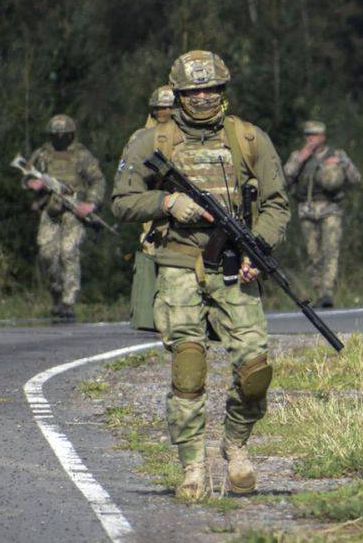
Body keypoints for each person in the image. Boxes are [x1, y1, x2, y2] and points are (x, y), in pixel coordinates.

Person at [111, 50, 290, 501]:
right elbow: (122, 201)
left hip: (234, 265)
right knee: (188, 370)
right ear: (179, 94)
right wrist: (166, 204)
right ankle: (193, 465)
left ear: (224, 90)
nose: (204, 97)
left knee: (255, 370)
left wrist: (259, 246)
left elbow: (276, 205)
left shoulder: (249, 138)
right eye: (194, 91)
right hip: (176, 265)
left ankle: (236, 447)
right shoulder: (152, 141)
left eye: (212, 88)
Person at [23, 114, 107, 320]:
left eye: (64, 135)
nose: (60, 139)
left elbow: (97, 180)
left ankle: (69, 301)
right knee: (46, 253)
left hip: (73, 212)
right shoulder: (42, 154)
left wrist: (90, 203)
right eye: (56, 135)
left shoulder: (81, 155)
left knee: (69, 251)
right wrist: (34, 184)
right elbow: (26, 176)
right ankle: (57, 293)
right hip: (50, 210)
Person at [283, 120, 362, 308]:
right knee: (313, 254)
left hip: (330, 210)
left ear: (323, 137)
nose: (312, 139)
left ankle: (327, 292)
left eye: (315, 135)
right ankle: (319, 291)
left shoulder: (337, 155)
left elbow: (356, 178)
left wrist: (341, 164)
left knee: (331, 251)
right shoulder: (298, 156)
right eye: (308, 135)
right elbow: (285, 178)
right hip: (307, 211)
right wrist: (300, 158)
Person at [125, 85, 177, 332]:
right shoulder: (142, 137)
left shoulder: (184, 135)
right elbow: (131, 171)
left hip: (179, 200)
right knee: (151, 249)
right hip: (152, 201)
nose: (166, 112)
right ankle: (151, 313)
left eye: (170, 108)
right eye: (161, 109)